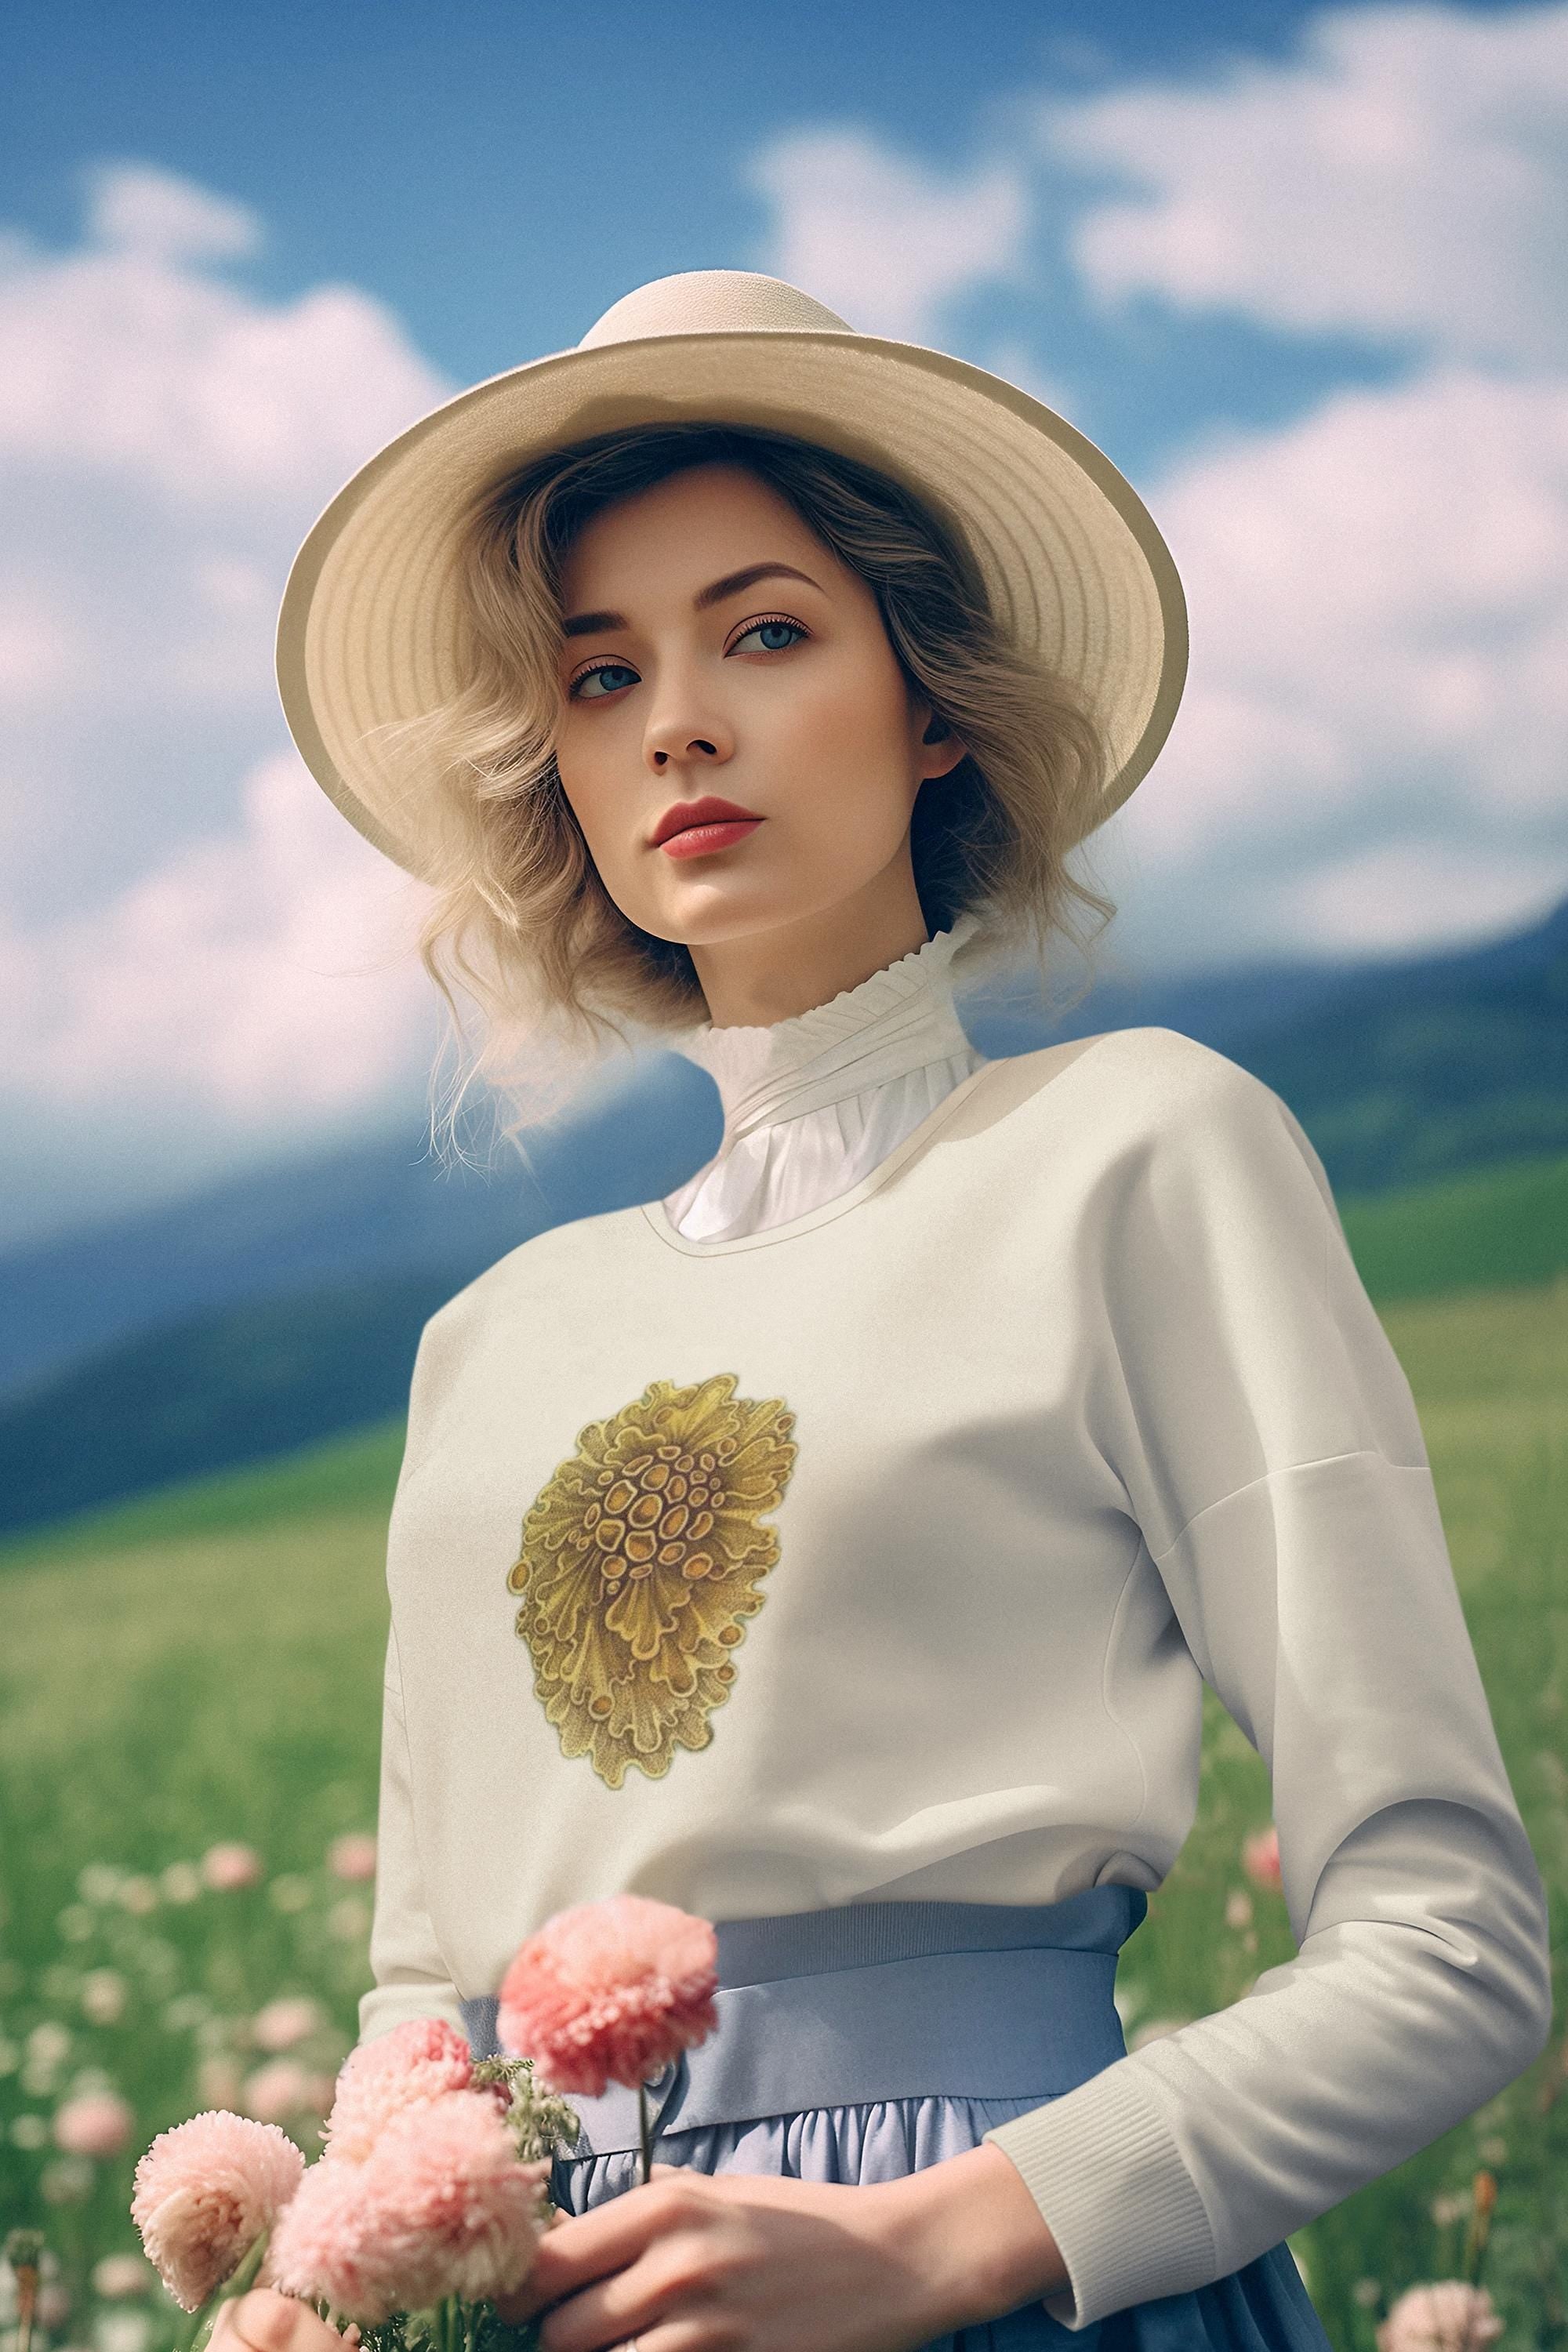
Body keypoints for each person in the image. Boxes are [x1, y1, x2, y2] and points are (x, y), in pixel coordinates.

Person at [227, 271, 1549, 2352]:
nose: (674, 720)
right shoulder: (487, 1337)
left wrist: (947, 2242)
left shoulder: (1138, 1150)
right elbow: (424, 1991)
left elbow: (1452, 1946)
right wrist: (342, 2258)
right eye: (596, 676)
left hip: (1017, 2294)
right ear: (556, 769)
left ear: (932, 703)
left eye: (765, 632)